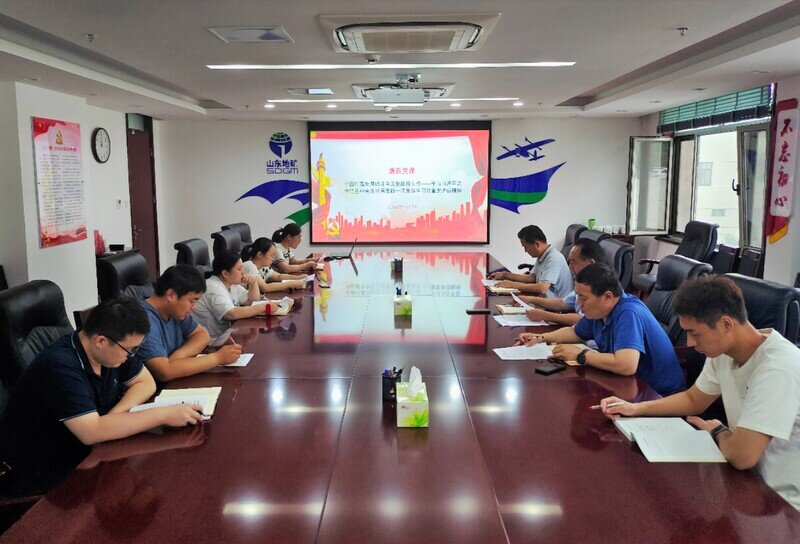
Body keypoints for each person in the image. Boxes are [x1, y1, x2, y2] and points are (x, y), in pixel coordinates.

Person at [600, 276, 800, 511]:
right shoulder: (725, 351)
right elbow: (693, 399)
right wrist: (634, 408)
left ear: (726, 324)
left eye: (695, 333)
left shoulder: (778, 367)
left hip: (781, 503)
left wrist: (717, 430)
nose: (690, 342)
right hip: (746, 484)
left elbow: (742, 456)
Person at [0, 299, 204, 497]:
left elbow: (145, 383)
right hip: (44, 470)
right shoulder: (59, 366)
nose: (131, 356)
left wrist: (114, 416)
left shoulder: (113, 349)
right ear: (100, 341)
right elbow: (91, 432)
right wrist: (162, 415)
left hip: (88, 451)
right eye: (130, 350)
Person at [519, 263, 685, 396]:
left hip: (660, 395)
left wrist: (580, 355)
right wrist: (541, 338)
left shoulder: (629, 313)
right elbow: (575, 332)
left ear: (607, 296)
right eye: (578, 296)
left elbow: (626, 365)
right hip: (631, 387)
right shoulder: (600, 311)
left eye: (584, 298)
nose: (579, 304)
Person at [137, 264, 243, 383]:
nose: (194, 307)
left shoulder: (173, 310)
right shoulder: (144, 319)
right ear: (171, 295)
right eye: (192, 301)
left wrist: (176, 359)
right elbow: (164, 372)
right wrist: (217, 358)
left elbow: (202, 335)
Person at [192, 251, 279, 341]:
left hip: (227, 335)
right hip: (212, 341)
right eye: (239, 269)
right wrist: (263, 307)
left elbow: (251, 302)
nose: (243, 272)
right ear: (225, 274)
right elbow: (231, 314)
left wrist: (253, 282)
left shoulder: (231, 284)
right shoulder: (213, 288)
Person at [519, 238, 607, 326]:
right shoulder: (585, 282)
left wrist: (545, 315)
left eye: (573, 262)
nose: (570, 266)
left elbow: (583, 320)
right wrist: (529, 299)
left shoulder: (602, 287)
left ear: (590, 263)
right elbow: (562, 303)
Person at [489, 225, 572, 298]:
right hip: (544, 301)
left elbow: (542, 288)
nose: (525, 250)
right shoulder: (543, 255)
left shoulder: (554, 258)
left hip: (558, 306)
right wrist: (504, 275)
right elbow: (532, 278)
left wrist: (512, 285)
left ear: (537, 244)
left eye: (525, 247)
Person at [241, 237, 308, 293]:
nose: (273, 259)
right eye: (272, 255)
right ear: (260, 254)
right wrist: (291, 284)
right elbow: (265, 288)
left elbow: (278, 276)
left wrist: (297, 278)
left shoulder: (263, 267)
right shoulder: (249, 266)